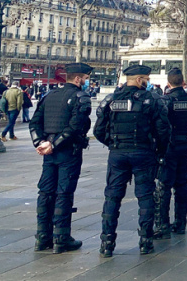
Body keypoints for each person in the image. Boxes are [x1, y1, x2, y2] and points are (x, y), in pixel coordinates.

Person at [94, 65, 171, 257]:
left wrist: (113, 143)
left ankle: (107, 243)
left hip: (118, 154)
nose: (148, 82)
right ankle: (145, 241)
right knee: (145, 197)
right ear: (139, 80)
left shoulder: (111, 99)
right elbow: (163, 129)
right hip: (143, 153)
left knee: (112, 197)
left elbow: (98, 130)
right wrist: (159, 152)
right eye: (146, 78)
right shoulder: (151, 99)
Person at [29, 63, 94, 253]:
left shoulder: (49, 96)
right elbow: (75, 127)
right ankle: (61, 238)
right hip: (68, 152)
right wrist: (54, 144)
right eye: (86, 78)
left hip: (48, 152)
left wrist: (41, 143)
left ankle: (42, 237)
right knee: (64, 193)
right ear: (77, 79)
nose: (87, 81)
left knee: (46, 192)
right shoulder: (81, 98)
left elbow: (35, 122)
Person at [154, 68, 187, 239]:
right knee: (182, 184)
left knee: (164, 185)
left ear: (168, 83)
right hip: (185, 145)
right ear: (183, 83)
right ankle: (181, 223)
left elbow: (158, 126)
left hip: (168, 147)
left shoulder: (164, 101)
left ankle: (162, 224)